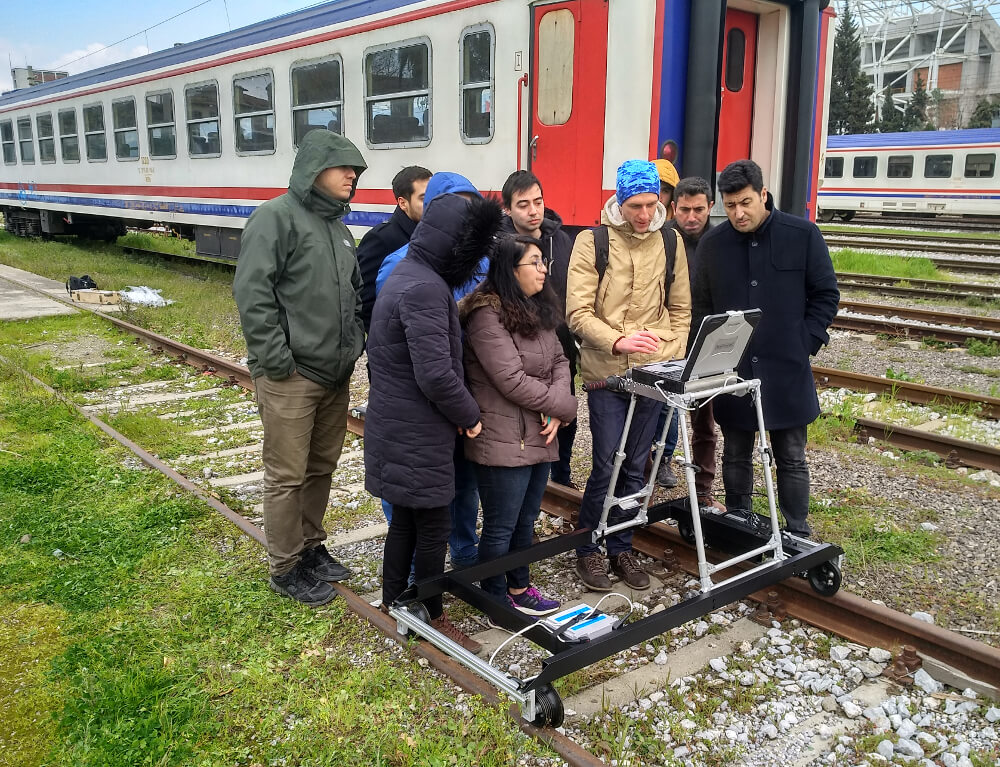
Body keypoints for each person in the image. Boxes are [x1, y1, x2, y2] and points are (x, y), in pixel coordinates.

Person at [365, 190, 503, 653]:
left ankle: (395, 600)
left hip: (397, 423)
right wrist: (470, 415)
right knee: (432, 525)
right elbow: (435, 373)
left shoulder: (405, 275)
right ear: (458, 245)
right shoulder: (425, 287)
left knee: (405, 519)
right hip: (418, 429)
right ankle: (431, 614)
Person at [233, 130, 366, 607]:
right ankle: (285, 565)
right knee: (287, 474)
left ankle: (311, 548)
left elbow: (352, 295)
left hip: (334, 373)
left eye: (356, 168)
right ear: (314, 169)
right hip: (292, 376)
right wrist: (277, 363)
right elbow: (253, 295)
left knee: (320, 468)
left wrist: (354, 344)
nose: (352, 174)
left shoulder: (338, 228)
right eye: (343, 166)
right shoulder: (275, 219)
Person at [692, 159, 839, 537]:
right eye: (730, 205)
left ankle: (797, 530)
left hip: (787, 368)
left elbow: (826, 295)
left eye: (745, 203)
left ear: (763, 195)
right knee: (736, 452)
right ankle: (740, 523)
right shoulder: (712, 244)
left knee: (791, 456)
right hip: (734, 371)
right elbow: (702, 307)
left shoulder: (803, 235)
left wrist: (805, 342)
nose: (738, 213)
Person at [566, 160, 691, 591]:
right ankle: (588, 549)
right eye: (635, 205)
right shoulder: (592, 241)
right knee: (606, 463)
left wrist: (661, 351)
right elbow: (577, 313)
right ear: (619, 201)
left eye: (651, 204)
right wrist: (618, 341)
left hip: (651, 374)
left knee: (637, 466)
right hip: (607, 375)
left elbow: (681, 314)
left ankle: (621, 546)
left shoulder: (670, 242)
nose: (643, 214)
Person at [460, 235, 578, 616]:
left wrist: (560, 409)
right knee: (501, 524)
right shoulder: (485, 315)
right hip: (503, 437)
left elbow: (561, 361)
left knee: (526, 518)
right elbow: (509, 379)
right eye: (535, 262)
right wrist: (564, 404)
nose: (544, 269)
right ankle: (493, 594)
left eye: (544, 261)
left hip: (540, 431)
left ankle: (520, 586)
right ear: (512, 271)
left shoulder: (536, 308)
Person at [375, 172, 486, 567]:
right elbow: (406, 351)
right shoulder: (401, 267)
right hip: (428, 405)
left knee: (462, 485)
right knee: (416, 500)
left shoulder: (479, 262)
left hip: (465, 393)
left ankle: (463, 552)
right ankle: (416, 588)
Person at [499, 170, 579, 489]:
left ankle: (561, 475)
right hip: (519, 344)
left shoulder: (560, 240)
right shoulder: (500, 245)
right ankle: (528, 479)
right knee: (525, 416)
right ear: (507, 209)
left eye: (538, 201)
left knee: (565, 411)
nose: (533, 211)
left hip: (559, 342)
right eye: (523, 205)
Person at [657, 176, 725, 510]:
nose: (691, 216)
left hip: (705, 341)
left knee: (704, 423)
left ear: (711, 207)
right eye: (684, 209)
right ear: (674, 208)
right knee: (653, 413)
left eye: (699, 209)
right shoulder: (663, 238)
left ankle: (703, 490)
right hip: (665, 338)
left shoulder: (720, 241)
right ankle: (642, 479)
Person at [356, 165, 431, 334]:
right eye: (423, 198)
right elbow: (365, 303)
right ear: (403, 203)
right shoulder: (381, 239)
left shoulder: (435, 236)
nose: (431, 203)